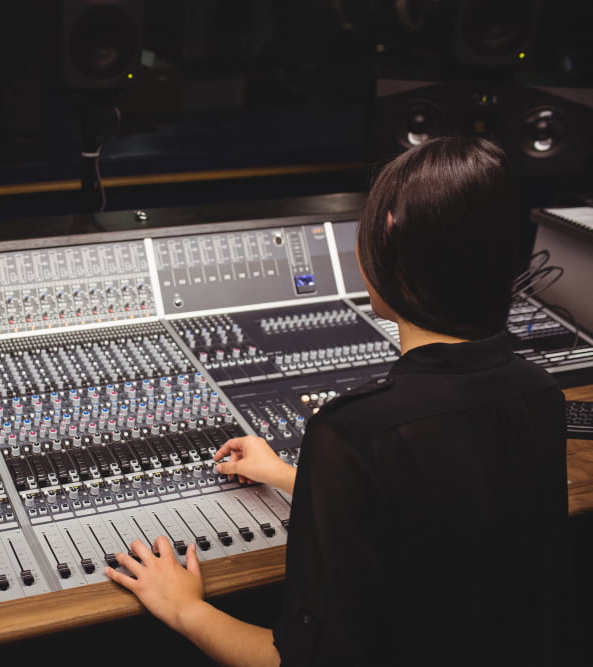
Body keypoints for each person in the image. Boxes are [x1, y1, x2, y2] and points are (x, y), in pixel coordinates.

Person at [104, 135, 570, 666]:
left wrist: (184, 607)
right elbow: (438, 514)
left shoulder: (355, 431)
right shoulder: (539, 391)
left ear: (388, 241)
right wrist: (285, 474)